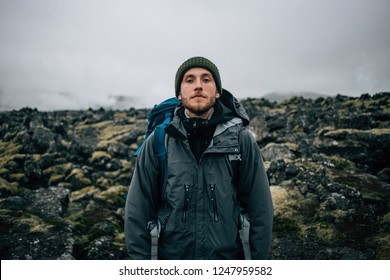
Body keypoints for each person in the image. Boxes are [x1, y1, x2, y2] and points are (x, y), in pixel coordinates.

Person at [124, 56, 273, 260]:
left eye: (206, 79)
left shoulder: (241, 140)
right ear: (179, 93)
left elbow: (260, 210)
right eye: (189, 80)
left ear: (217, 91)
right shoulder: (159, 141)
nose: (198, 86)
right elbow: (137, 211)